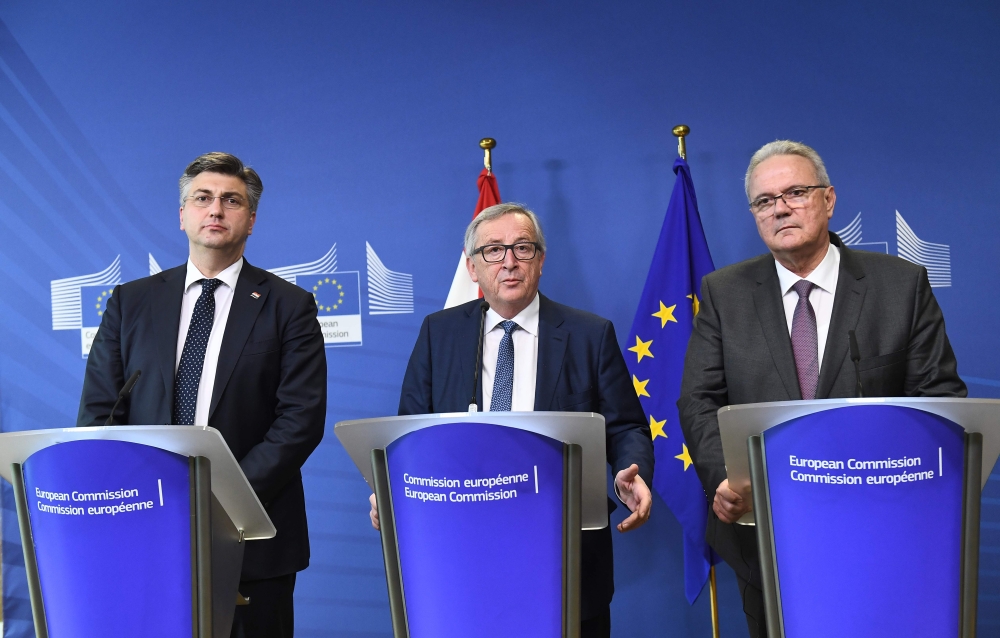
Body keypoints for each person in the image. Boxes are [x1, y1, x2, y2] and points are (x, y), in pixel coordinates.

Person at [677, 140, 966, 637]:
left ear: (829, 200)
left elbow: (938, 400)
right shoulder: (724, 293)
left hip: (882, 530)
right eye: (765, 201)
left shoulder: (901, 286)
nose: (781, 208)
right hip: (767, 533)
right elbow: (699, 399)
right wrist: (724, 477)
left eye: (795, 192)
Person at [368, 202, 654, 638]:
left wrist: (631, 473)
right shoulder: (438, 333)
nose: (509, 262)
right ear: (472, 267)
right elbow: (411, 433)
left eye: (523, 248)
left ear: (540, 260)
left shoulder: (589, 334)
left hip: (563, 547)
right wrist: (391, 491)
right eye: (493, 251)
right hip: (463, 545)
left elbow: (625, 427)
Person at [78, 152, 327, 638]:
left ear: (251, 219)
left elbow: (299, 420)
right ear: (182, 214)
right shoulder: (131, 302)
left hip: (252, 538)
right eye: (203, 198)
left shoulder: (289, 306)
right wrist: (144, 496)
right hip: (146, 526)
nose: (216, 210)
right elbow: (100, 414)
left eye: (231, 201)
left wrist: (215, 501)